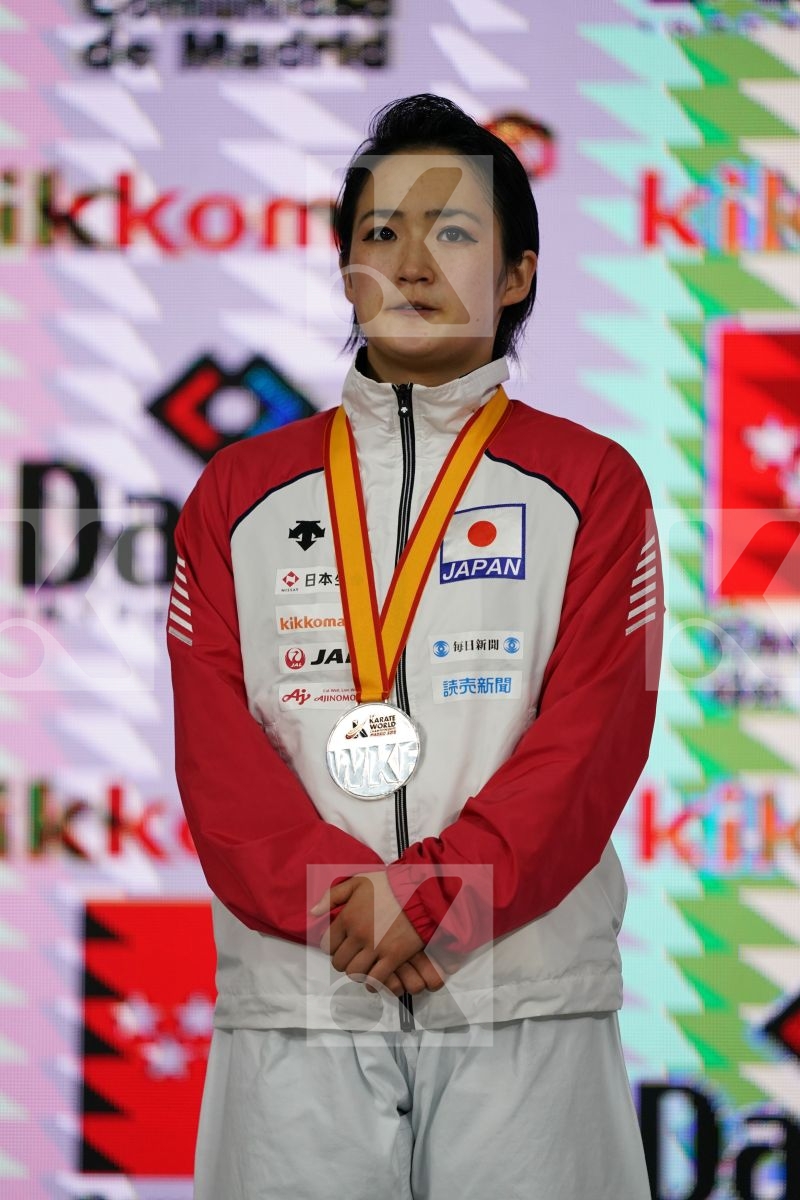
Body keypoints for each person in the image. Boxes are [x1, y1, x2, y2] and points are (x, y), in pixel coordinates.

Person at [167, 93, 663, 1200]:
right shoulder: (238, 492)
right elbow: (216, 752)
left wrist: (436, 897)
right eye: (381, 232)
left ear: (517, 274)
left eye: (452, 232)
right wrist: (344, 897)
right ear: (344, 268)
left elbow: (591, 735)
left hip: (518, 993)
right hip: (301, 997)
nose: (411, 260)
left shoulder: (591, 485)